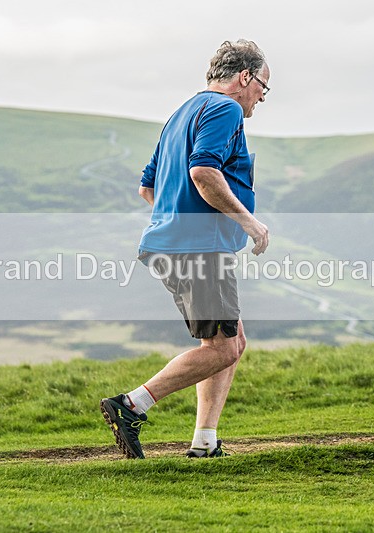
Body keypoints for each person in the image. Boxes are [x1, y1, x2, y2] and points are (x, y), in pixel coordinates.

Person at [100, 39, 271, 459]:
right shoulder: (225, 108)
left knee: (231, 341)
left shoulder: (181, 113)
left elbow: (147, 187)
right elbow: (203, 171)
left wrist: (176, 220)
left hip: (172, 244)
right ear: (244, 77)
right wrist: (248, 222)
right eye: (263, 86)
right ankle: (131, 405)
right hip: (199, 248)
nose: (262, 97)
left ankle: (204, 442)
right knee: (223, 348)